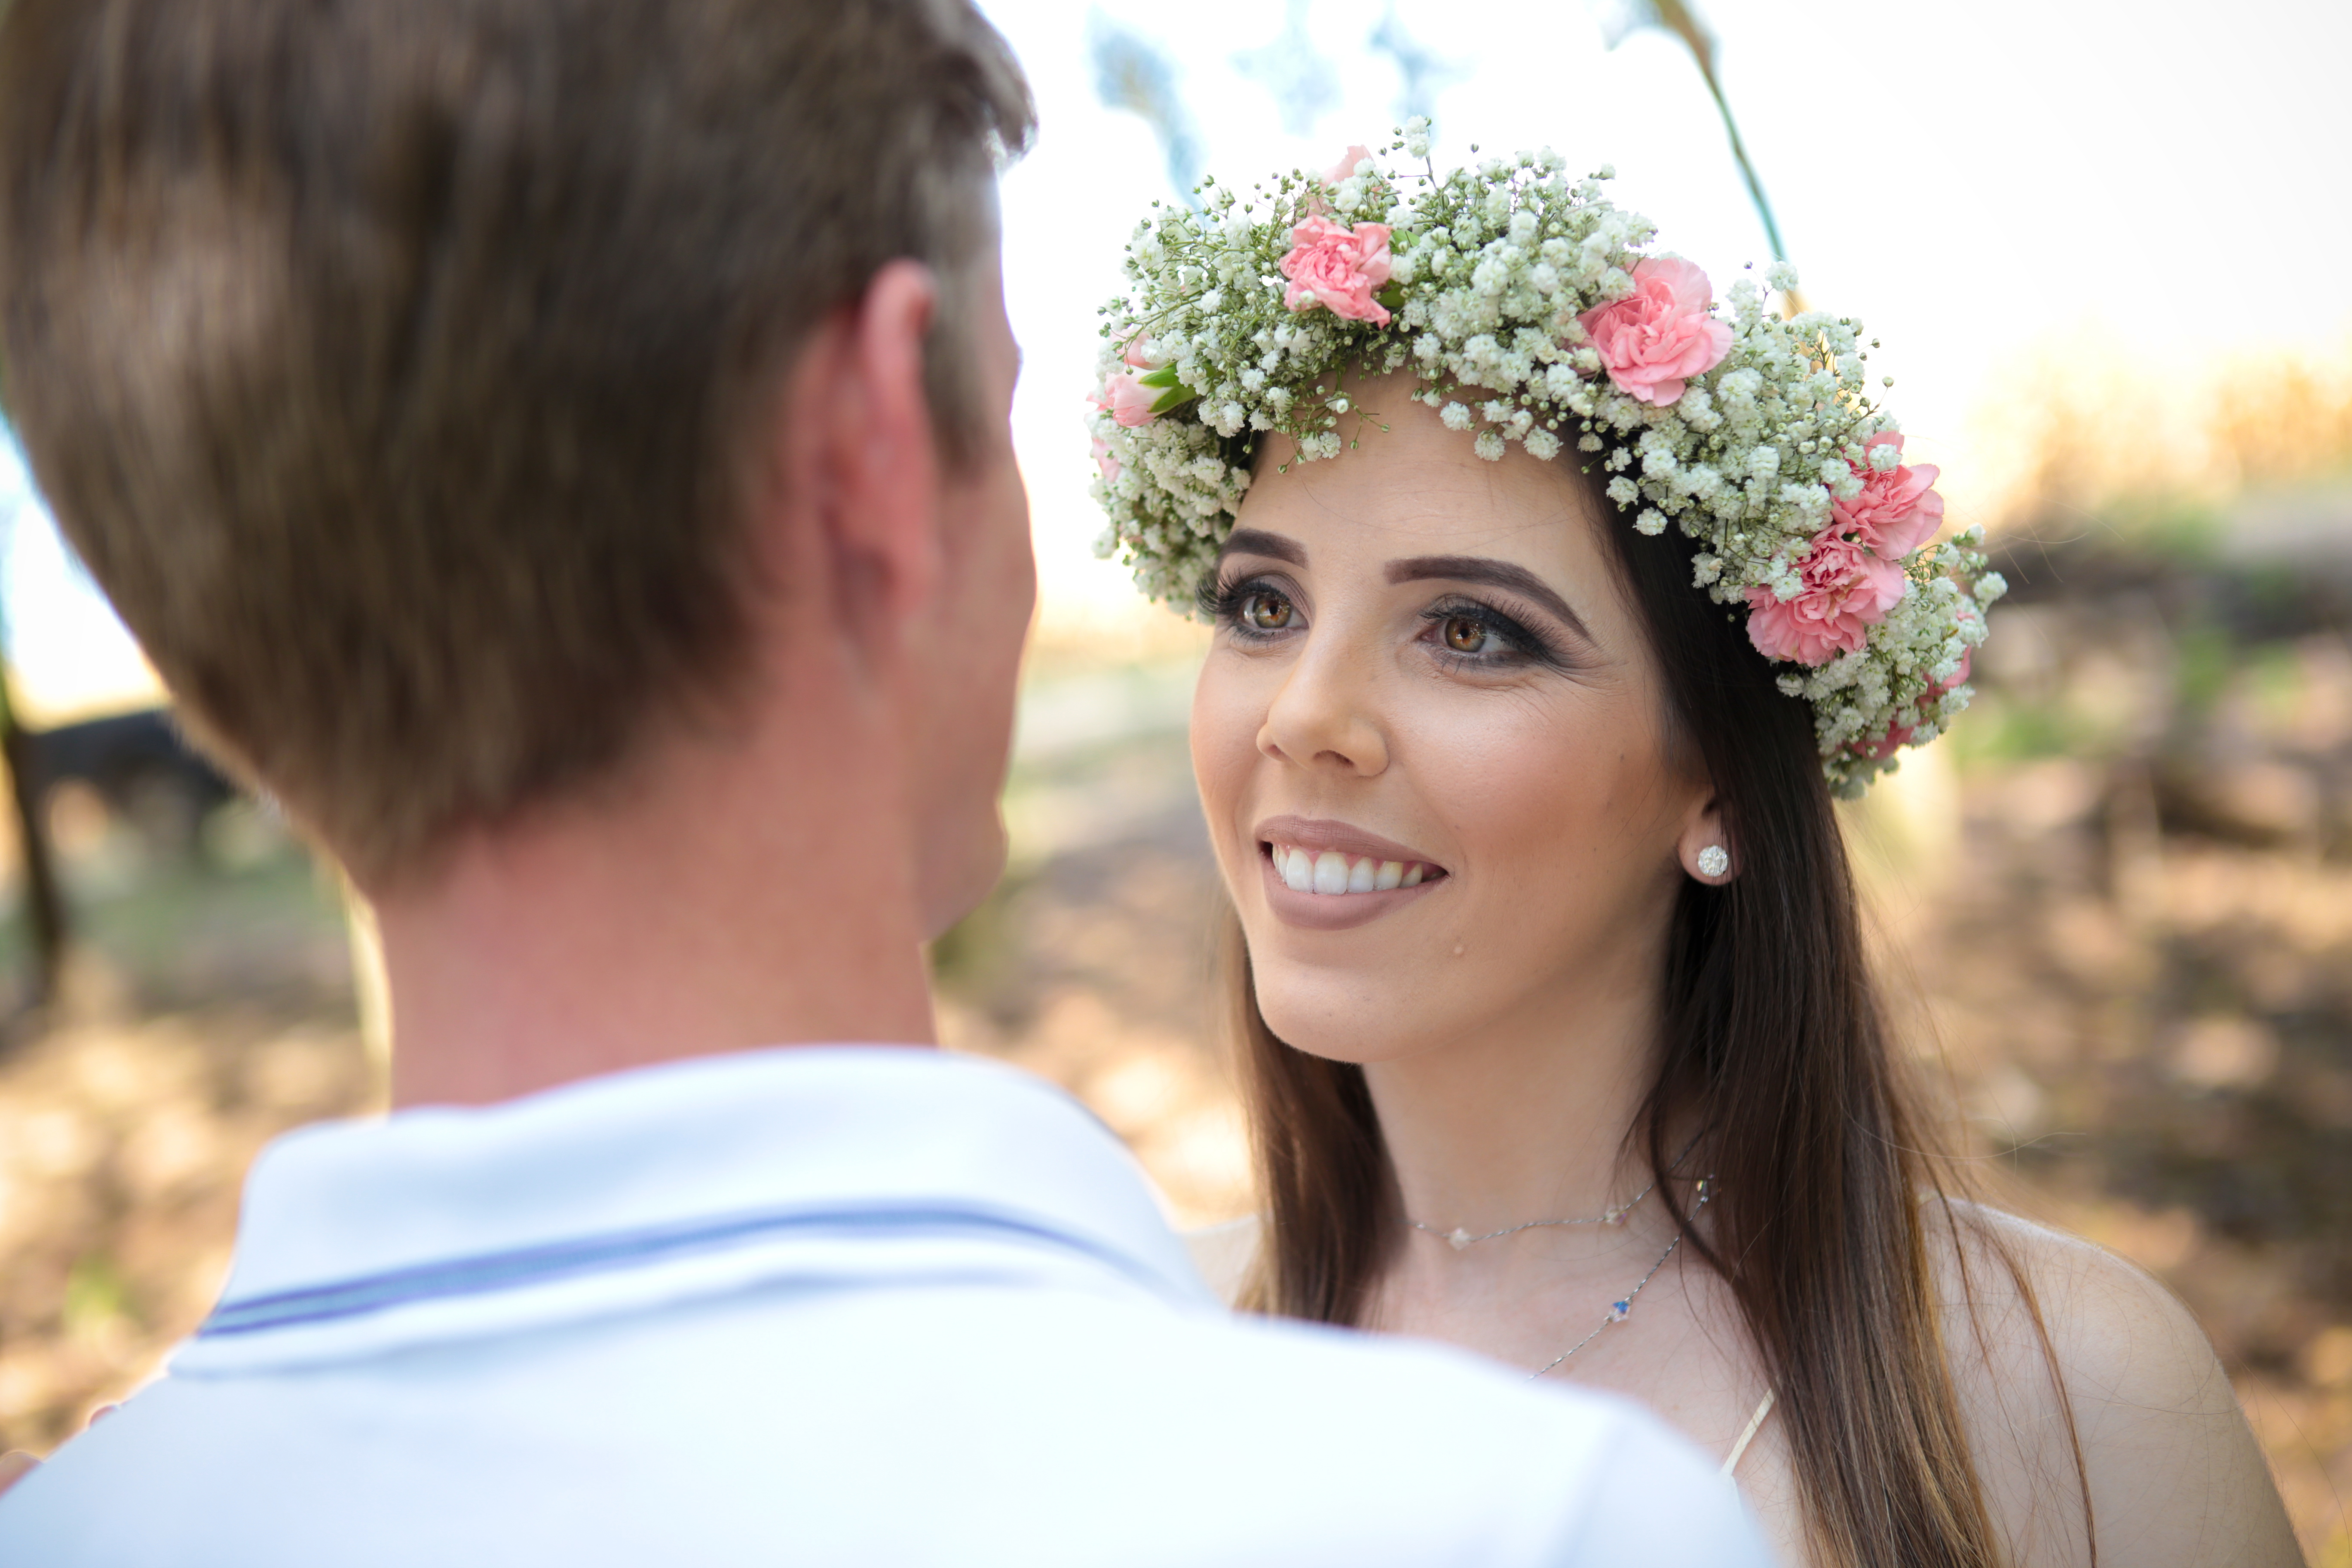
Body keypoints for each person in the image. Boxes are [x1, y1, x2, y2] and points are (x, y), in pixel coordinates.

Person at [0, 6, 1772, 1565]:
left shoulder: (79, 1525)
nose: (1306, 714)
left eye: (1471, 632)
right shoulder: (1513, 1529)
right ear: (865, 454)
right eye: (996, 410)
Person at [1087, 135, 2304, 1567]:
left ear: (1720, 785)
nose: (1301, 716)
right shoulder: (1124, 1353)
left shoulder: (2075, 1405)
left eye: (1470, 631)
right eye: (1262, 607)